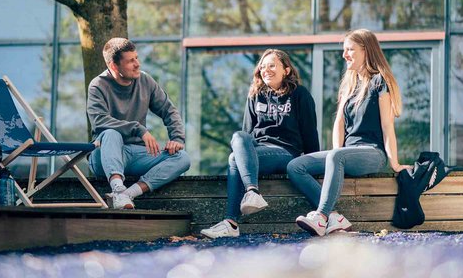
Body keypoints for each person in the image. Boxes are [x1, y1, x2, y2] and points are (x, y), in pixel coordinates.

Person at [287, 29, 411, 236]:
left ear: (366, 50)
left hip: (373, 153)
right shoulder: (350, 84)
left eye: (350, 49)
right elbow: (339, 122)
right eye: (344, 50)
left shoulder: (380, 81)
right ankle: (334, 217)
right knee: (295, 166)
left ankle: (320, 217)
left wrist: (395, 163)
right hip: (348, 153)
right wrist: (336, 157)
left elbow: (388, 126)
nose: (344, 55)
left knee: (336, 155)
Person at [201, 49, 320, 238]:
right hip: (259, 152)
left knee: (233, 159)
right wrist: (245, 155)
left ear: (286, 70)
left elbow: (310, 131)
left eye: (272, 65)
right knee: (238, 142)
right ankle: (250, 194)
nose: (266, 70)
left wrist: (314, 165)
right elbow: (246, 133)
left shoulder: (300, 94)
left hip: (286, 152)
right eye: (263, 67)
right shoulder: (255, 94)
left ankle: (232, 221)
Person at [87, 38, 191, 209]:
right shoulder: (98, 85)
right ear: (114, 66)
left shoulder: (145, 81)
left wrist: (177, 139)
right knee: (111, 134)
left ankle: (127, 194)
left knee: (182, 158)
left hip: (135, 155)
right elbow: (99, 121)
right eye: (130, 61)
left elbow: (169, 110)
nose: (137, 64)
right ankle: (117, 187)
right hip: (104, 155)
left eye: (136, 58)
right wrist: (138, 129)